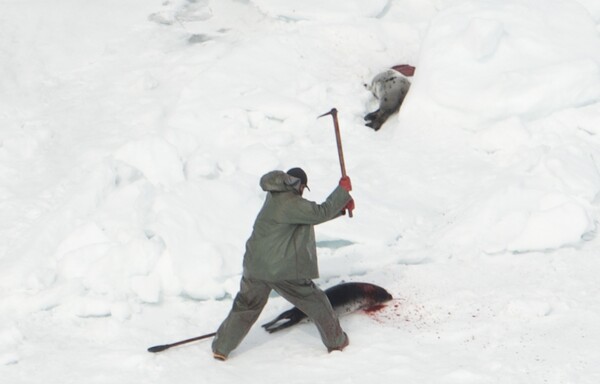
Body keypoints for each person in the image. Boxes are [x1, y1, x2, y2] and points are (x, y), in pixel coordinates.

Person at [211, 167, 355, 361]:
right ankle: (336, 341)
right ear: (301, 185)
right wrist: (342, 191)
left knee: (245, 306)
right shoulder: (291, 202)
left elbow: (308, 216)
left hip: (254, 266)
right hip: (279, 270)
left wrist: (342, 208)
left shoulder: (275, 197)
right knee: (317, 302)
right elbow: (318, 212)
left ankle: (221, 347)